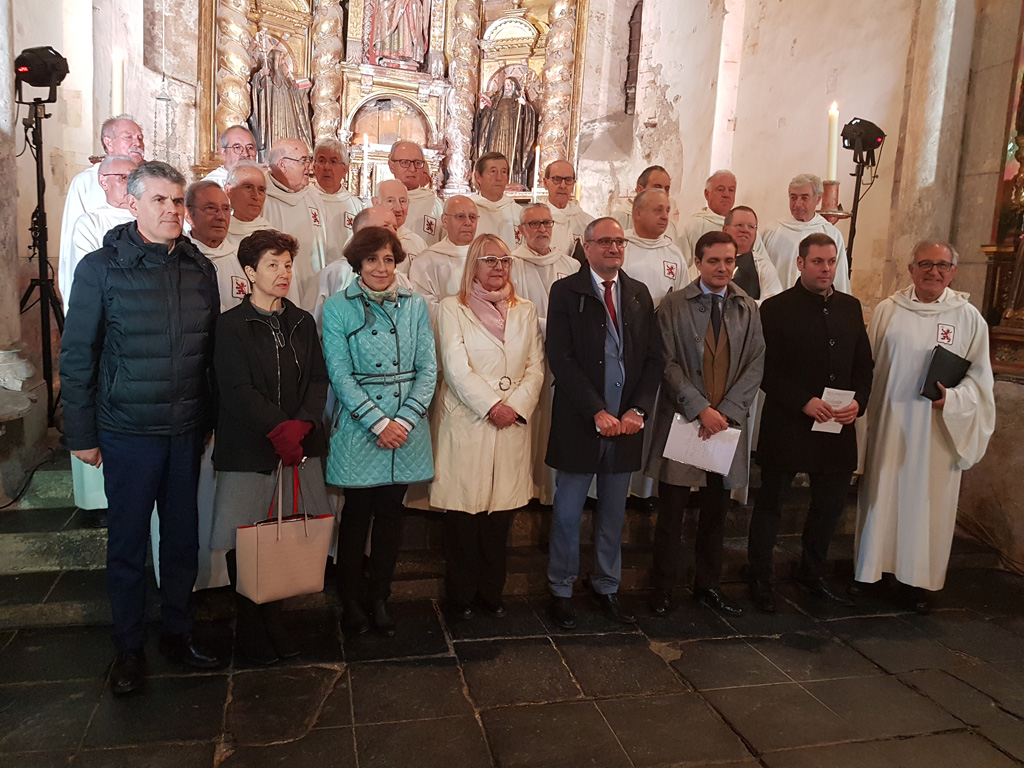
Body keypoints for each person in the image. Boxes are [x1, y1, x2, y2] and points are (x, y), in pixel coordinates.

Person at [60, 161, 221, 695]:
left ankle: (178, 631)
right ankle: (128, 649)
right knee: (128, 546)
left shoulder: (199, 267)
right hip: (128, 431)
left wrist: (208, 421)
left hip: (184, 431)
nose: (173, 211)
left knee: (181, 543)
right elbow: (79, 355)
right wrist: (80, 433)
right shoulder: (100, 268)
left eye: (178, 202)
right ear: (132, 204)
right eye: (160, 201)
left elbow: (208, 355)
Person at [210, 228, 331, 664]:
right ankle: (249, 624)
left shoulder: (301, 320)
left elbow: (318, 379)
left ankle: (275, 621)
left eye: (287, 264)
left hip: (298, 446)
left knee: (284, 534)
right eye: (272, 265)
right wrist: (279, 428)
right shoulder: (231, 324)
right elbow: (236, 389)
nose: (283, 273)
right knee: (246, 537)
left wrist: (301, 425)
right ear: (249, 272)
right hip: (250, 448)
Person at [855, 240, 995, 613]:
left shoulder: (968, 318)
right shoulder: (888, 311)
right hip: (889, 425)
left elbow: (980, 384)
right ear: (911, 268)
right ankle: (874, 572)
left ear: (954, 271)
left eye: (942, 265)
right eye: (926, 264)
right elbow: (867, 369)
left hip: (936, 432)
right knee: (883, 496)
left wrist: (952, 400)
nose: (934, 271)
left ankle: (914, 582)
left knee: (925, 505)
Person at [747, 233, 873, 613]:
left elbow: (863, 365)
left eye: (831, 262)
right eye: (817, 262)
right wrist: (803, 401)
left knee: (829, 505)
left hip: (836, 424)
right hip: (788, 421)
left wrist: (859, 403)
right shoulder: (775, 308)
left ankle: (812, 575)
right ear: (800, 264)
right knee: (771, 504)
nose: (825, 269)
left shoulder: (850, 307)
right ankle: (759, 579)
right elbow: (765, 370)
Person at [545, 217, 660, 629]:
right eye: (605, 241)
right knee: (568, 510)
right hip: (582, 418)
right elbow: (561, 356)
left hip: (625, 423)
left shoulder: (638, 294)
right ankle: (561, 587)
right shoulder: (566, 291)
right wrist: (595, 409)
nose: (614, 247)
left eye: (619, 241)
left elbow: (652, 359)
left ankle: (607, 585)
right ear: (586, 246)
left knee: (613, 511)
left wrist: (638, 411)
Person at [322, 227, 437, 636]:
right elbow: (338, 374)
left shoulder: (414, 304)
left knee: (392, 516)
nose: (381, 267)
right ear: (357, 263)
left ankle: (380, 597)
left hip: (405, 427)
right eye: (372, 259)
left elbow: (428, 368)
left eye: (388, 259)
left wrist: (403, 421)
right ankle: (350, 600)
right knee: (356, 517)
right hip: (361, 426)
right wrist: (378, 422)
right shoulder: (338, 308)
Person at [645, 231, 764, 617]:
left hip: (724, 425)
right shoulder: (674, 306)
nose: (723, 268)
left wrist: (727, 411)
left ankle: (707, 585)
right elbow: (665, 362)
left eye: (729, 261)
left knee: (715, 511)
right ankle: (662, 588)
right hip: (686, 420)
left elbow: (755, 363)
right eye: (714, 261)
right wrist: (699, 408)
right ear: (697, 262)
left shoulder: (747, 306)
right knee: (672, 512)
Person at [432, 234, 544, 619]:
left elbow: (536, 366)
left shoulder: (525, 310)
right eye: (490, 260)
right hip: (470, 420)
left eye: (505, 260)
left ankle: (491, 595)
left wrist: (514, 406)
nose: (499, 267)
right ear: (473, 265)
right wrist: (491, 405)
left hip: (511, 422)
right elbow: (455, 366)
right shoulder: (452, 307)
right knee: (464, 517)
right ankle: (461, 597)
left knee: (500, 520)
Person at [510, 203, 579, 505]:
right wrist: (553, 326)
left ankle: (549, 490)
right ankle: (524, 488)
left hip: (562, 357)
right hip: (521, 356)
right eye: (534, 224)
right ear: (521, 230)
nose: (541, 229)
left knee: (554, 420)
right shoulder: (510, 263)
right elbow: (509, 310)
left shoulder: (572, 266)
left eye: (546, 223)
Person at [59, 115, 145, 305]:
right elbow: (71, 248)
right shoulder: (86, 182)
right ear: (108, 142)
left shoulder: (152, 179)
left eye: (140, 137)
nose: (137, 142)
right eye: (128, 137)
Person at [312, 206, 411, 328]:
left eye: (395, 228)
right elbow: (313, 327)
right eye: (385, 226)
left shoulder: (401, 280)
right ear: (361, 231)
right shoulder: (333, 274)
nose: (393, 233)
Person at [64, 154, 138, 313]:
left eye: (135, 179)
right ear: (103, 181)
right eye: (124, 178)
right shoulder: (90, 223)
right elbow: (90, 276)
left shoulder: (151, 218)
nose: (132, 185)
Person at [262, 138, 329, 309]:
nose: (310, 166)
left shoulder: (314, 196)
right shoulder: (263, 198)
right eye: (303, 160)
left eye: (309, 159)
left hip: (315, 285)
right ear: (282, 164)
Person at [763, 173, 851, 294]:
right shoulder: (772, 231)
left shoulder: (831, 233)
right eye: (793, 197)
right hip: (778, 306)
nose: (798, 204)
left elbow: (840, 280)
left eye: (804, 198)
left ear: (818, 199)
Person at [409, 195, 480, 323]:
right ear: (445, 221)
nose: (468, 222)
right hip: (446, 333)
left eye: (472, 217)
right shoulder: (426, 261)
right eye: (460, 216)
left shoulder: (487, 256)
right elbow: (424, 306)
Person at [677, 170, 770, 267]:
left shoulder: (748, 229)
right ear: (707, 194)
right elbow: (679, 265)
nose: (726, 195)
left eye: (731, 190)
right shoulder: (692, 225)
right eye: (720, 189)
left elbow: (763, 265)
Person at [186, 181, 248, 311]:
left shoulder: (241, 258)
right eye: (210, 208)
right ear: (188, 214)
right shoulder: (179, 257)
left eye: (225, 209)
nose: (221, 217)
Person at [622, 189, 688, 307]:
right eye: (658, 210)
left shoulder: (674, 254)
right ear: (638, 213)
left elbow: (683, 301)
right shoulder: (620, 248)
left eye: (667, 211)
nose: (665, 217)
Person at [313, 138, 364, 260]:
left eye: (333, 161)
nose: (327, 167)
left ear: (345, 169)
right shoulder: (305, 197)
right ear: (313, 166)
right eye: (321, 160)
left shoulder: (355, 206)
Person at [721, 206, 783, 305]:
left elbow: (773, 303)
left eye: (751, 227)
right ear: (725, 230)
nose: (745, 230)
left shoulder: (763, 266)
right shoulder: (711, 261)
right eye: (739, 225)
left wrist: (739, 306)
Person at [389, 140, 442, 245]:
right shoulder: (377, 202)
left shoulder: (436, 205)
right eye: (405, 163)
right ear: (391, 166)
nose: (412, 169)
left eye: (417, 163)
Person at [611, 165, 679, 244]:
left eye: (666, 189)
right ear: (640, 190)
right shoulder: (619, 219)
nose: (663, 193)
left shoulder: (669, 226)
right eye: (657, 187)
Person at [542, 160, 594, 260]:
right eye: (557, 179)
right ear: (545, 183)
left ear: (574, 184)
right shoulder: (534, 221)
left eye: (568, 180)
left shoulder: (588, 223)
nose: (562, 185)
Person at [374, 178, 428, 269]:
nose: (398, 208)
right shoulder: (362, 239)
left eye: (403, 201)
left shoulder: (418, 244)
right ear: (375, 203)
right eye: (390, 201)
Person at [470, 152, 520, 247]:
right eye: (493, 171)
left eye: (504, 172)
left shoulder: (519, 213)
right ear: (478, 177)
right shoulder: (468, 211)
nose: (499, 178)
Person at [223, 160, 271, 246]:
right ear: (229, 191)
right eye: (248, 187)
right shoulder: (217, 234)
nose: (256, 196)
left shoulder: (274, 237)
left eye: (261, 190)